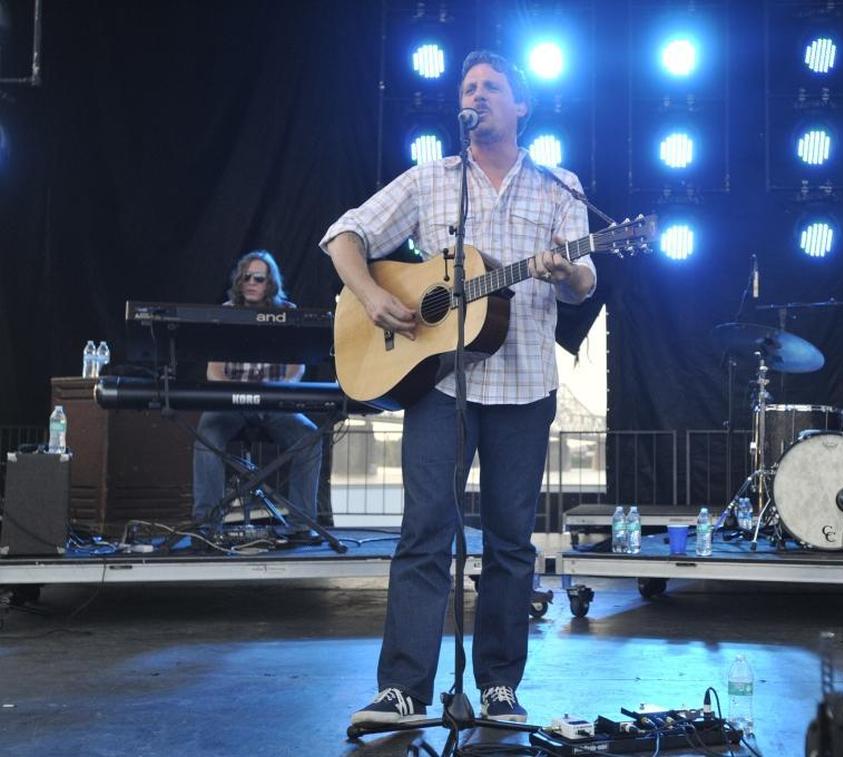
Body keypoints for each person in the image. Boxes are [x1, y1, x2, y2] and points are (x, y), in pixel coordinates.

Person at [321, 50, 596, 726]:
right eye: (468, 88)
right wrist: (373, 297)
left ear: (521, 106)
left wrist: (568, 274)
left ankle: (499, 686)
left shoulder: (561, 185)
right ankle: (404, 689)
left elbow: (589, 281)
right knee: (424, 533)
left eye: (491, 87)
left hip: (525, 386)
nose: (477, 96)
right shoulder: (431, 179)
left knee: (509, 543)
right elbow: (342, 235)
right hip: (443, 388)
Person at [191, 250, 322, 538]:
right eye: (246, 277)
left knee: (310, 437)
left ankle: (302, 524)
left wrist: (274, 394)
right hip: (232, 402)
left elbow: (295, 369)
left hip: (275, 402)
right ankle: (206, 526)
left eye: (258, 278)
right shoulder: (224, 312)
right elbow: (214, 371)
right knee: (206, 433)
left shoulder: (288, 312)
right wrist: (236, 394)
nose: (250, 282)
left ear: (270, 283)